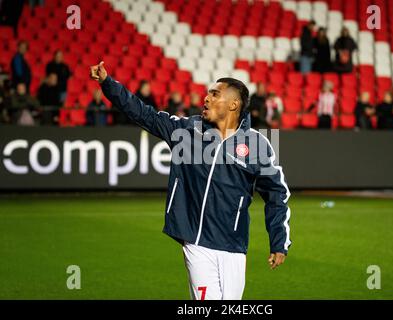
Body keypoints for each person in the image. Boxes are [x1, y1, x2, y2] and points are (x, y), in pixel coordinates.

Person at [90, 61, 291, 300]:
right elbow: (144, 114)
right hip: (197, 242)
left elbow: (277, 195)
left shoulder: (257, 144)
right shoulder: (187, 130)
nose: (206, 98)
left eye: (215, 94)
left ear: (234, 104)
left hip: (235, 247)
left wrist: (279, 242)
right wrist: (107, 83)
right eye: (208, 93)